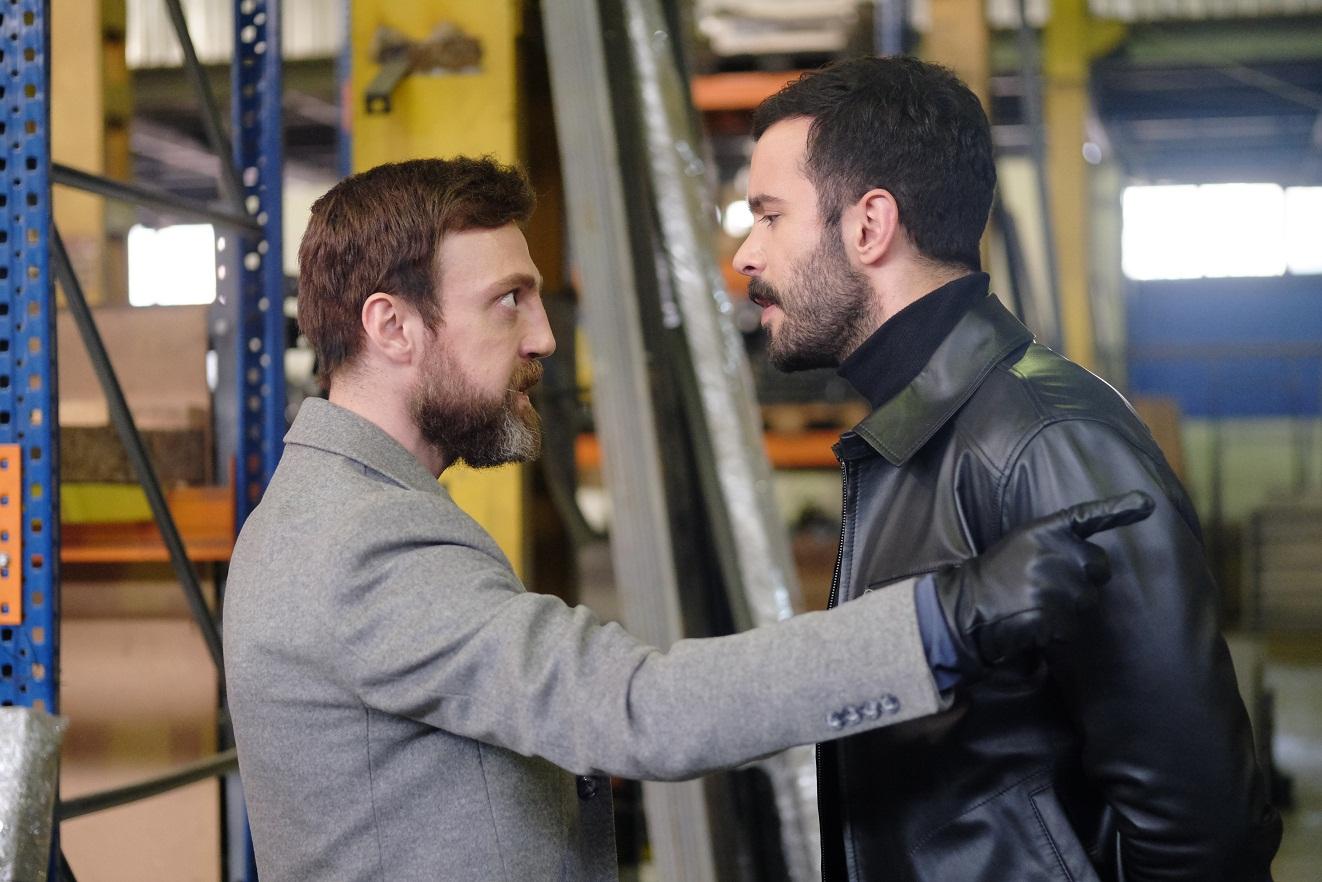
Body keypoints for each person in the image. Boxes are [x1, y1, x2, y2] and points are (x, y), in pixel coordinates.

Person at [222, 157, 1150, 882]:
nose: (545, 337)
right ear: (390, 326)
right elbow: (636, 707)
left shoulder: (338, 506)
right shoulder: (362, 544)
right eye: (509, 301)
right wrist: (944, 620)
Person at [733, 55, 1282, 882]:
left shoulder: (1048, 440)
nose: (746, 254)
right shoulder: (919, 432)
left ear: (869, 225)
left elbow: (1202, 828)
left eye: (769, 216)